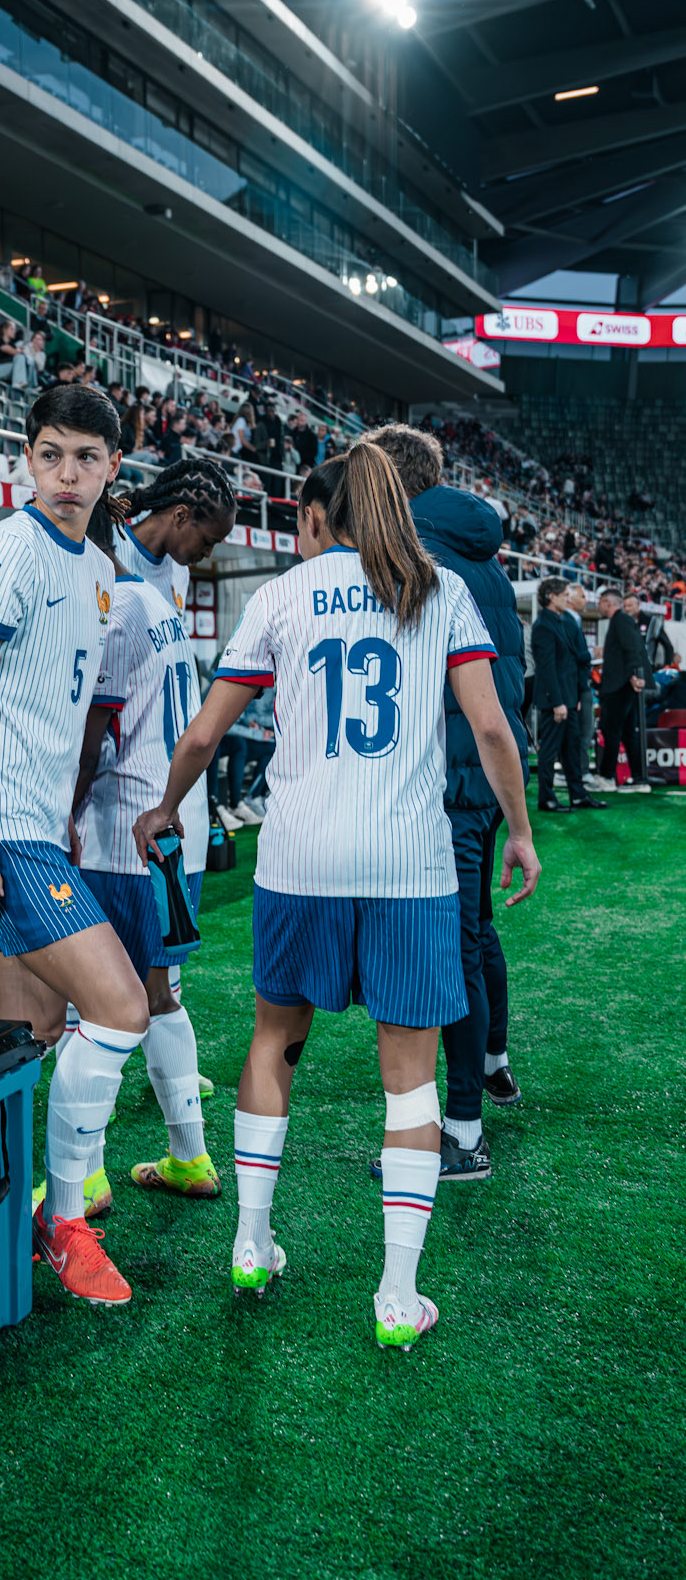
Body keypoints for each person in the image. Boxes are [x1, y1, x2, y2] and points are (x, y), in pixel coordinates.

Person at [133, 441, 540, 1351]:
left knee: (274, 1041)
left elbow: (204, 735)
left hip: (298, 861)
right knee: (408, 1078)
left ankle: (249, 1242)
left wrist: (164, 807)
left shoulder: (285, 593)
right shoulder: (440, 590)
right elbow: (488, 725)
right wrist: (518, 830)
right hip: (409, 868)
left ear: (325, 513)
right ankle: (396, 1296)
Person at [0, 384, 151, 1309]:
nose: (67, 476)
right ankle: (66, 1221)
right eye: (51, 455)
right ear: (26, 457)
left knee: (35, 1037)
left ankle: (12, 1219)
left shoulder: (96, 568)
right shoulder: (6, 555)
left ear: (111, 468)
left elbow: (48, 710)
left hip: (32, 827)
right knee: (123, 1006)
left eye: (86, 459)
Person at [369, 424, 532, 1180]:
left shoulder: (414, 551)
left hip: (448, 776)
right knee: (477, 931)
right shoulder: (485, 559)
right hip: (488, 775)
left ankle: (461, 1131)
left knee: (453, 951)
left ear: (390, 483)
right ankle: (493, 1060)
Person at [67, 497, 219, 1219]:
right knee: (160, 996)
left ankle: (85, 1178)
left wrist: (60, 816)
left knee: (92, 1005)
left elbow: (94, 732)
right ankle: (188, 1155)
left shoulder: (114, 606)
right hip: (167, 828)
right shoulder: (155, 601)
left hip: (119, 833)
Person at [114, 458, 237, 618]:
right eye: (208, 542)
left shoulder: (180, 572)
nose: (209, 554)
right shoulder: (107, 550)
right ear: (180, 516)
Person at [532, 580, 603, 814]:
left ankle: (578, 795)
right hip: (557, 702)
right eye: (564, 595)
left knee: (572, 748)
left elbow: (569, 663)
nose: (568, 598)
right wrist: (557, 702)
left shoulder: (562, 622)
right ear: (551, 597)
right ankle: (547, 798)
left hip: (569, 699)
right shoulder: (543, 625)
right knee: (550, 750)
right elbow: (547, 668)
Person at [596, 589, 651, 793]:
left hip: (620, 686)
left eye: (601, 602)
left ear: (607, 602)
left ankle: (607, 777)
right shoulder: (621, 621)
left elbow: (633, 649)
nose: (598, 606)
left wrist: (634, 675)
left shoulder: (621, 620)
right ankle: (638, 778)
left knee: (613, 731)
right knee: (627, 733)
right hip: (622, 684)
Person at [564, 583, 597, 795]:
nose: (586, 600)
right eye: (583, 596)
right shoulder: (567, 622)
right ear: (570, 598)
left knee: (583, 731)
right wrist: (591, 654)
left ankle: (578, 771)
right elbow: (574, 658)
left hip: (579, 686)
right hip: (576, 688)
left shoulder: (572, 621)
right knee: (582, 732)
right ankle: (581, 771)